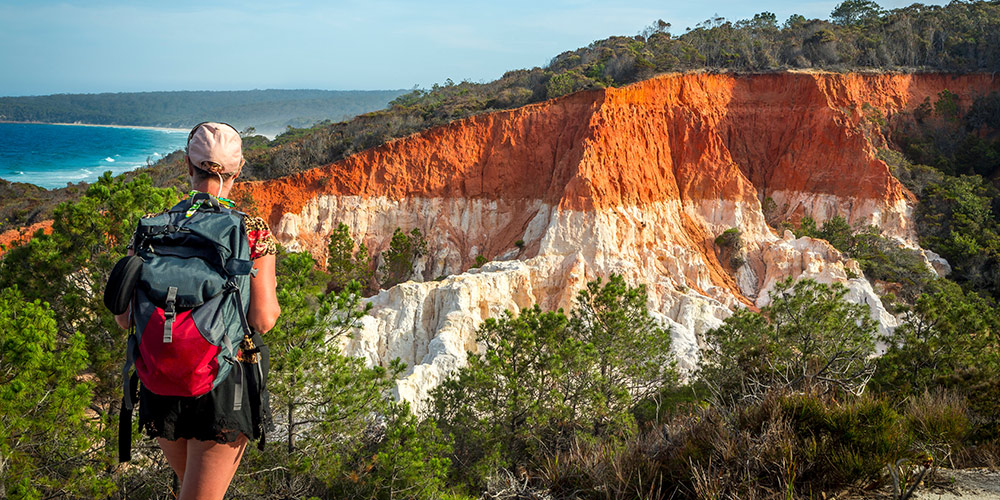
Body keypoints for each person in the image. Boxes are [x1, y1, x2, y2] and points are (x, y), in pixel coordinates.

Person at [115, 122, 281, 500]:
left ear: (188, 167)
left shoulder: (151, 229)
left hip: (159, 375)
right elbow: (263, 319)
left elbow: (124, 317)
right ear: (238, 172)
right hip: (222, 382)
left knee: (190, 486)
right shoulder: (251, 231)